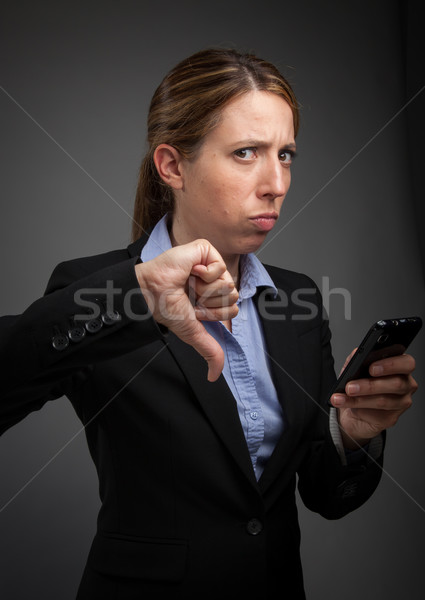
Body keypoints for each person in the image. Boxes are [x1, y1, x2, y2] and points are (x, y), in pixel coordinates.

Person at [0, 48, 417, 599]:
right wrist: (138, 294)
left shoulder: (297, 298)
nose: (277, 183)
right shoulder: (99, 289)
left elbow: (324, 493)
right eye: (246, 153)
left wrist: (353, 434)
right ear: (172, 165)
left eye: (286, 154)